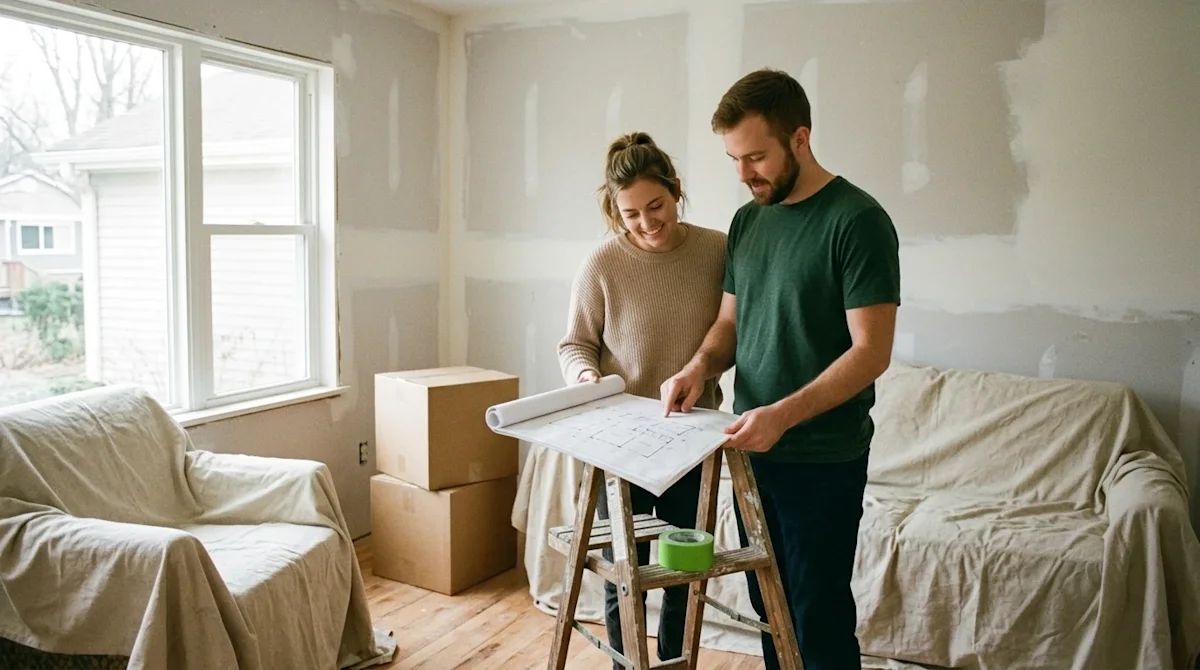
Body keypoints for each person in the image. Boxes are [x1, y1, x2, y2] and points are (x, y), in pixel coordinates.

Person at [660, 68, 901, 670]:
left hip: (823, 457)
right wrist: (697, 367)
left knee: (816, 618)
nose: (744, 175)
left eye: (757, 157)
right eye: (734, 159)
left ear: (801, 137)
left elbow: (872, 351)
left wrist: (783, 415)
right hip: (750, 451)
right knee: (772, 611)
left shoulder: (857, 221)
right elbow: (729, 327)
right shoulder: (748, 221)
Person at [557, 131, 727, 666]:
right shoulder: (602, 262)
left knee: (682, 571)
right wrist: (586, 378)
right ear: (616, 211)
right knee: (623, 576)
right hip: (618, 444)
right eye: (631, 214)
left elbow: (731, 335)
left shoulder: (719, 251)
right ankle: (624, 664)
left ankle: (676, 664)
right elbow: (575, 344)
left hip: (691, 437)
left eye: (656, 206)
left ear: (676, 191)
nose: (647, 223)